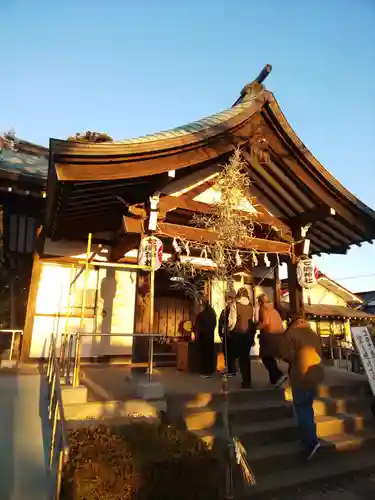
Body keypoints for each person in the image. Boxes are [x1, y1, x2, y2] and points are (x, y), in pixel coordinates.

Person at [280, 313, 325, 460]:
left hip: (301, 375)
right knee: (308, 406)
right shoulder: (313, 332)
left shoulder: (291, 334)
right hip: (315, 374)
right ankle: (307, 437)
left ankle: (311, 441)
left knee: (301, 407)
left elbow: (286, 355)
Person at [220, 288, 256, 388]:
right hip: (249, 333)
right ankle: (248, 379)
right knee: (246, 356)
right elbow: (253, 319)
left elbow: (232, 320)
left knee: (241, 357)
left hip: (239, 333)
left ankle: (245, 381)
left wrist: (229, 328)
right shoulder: (251, 305)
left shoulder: (235, 304)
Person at [258, 294, 287, 386]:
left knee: (265, 357)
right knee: (271, 357)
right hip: (278, 336)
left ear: (260, 301)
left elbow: (265, 322)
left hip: (269, 335)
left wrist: (256, 327)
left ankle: (279, 375)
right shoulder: (274, 310)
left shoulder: (263, 308)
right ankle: (273, 381)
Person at [194, 299, 217, 378]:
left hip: (203, 337)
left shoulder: (202, 315)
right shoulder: (212, 313)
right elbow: (214, 324)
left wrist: (197, 333)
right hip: (210, 336)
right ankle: (210, 371)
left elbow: (197, 325)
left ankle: (204, 372)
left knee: (204, 355)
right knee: (209, 354)